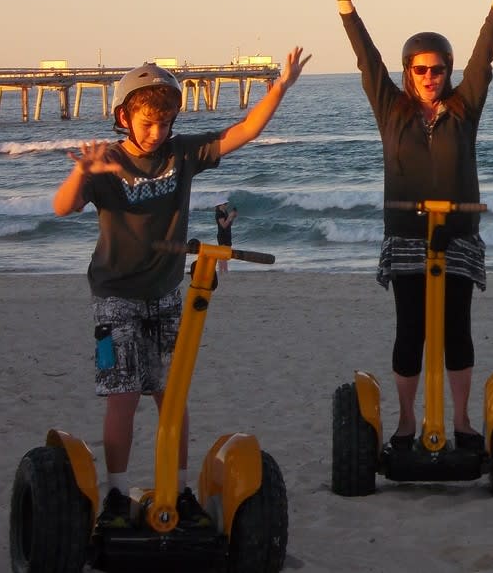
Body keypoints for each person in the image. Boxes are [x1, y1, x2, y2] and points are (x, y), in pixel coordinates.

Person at [52, 49, 310, 528]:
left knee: (171, 395)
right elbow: (62, 208)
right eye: (148, 123)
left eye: (166, 122)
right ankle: (114, 493)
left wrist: (280, 87)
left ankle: (182, 486)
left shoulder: (182, 154)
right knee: (123, 395)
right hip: (116, 297)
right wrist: (80, 172)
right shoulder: (107, 162)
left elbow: (244, 132)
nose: (158, 132)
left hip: (170, 293)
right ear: (124, 117)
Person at [335, 0, 493, 452]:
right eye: (420, 70)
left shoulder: (464, 109)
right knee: (411, 331)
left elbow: (482, 64)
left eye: (437, 70)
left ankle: (461, 422)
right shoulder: (392, 109)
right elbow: (368, 63)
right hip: (406, 236)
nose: (429, 78)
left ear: (446, 71)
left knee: (456, 329)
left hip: (459, 235)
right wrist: (346, 8)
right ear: (408, 72)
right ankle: (405, 424)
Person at [215, 202, 237, 272]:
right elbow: (224, 226)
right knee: (222, 254)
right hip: (222, 235)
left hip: (227, 235)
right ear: (220, 205)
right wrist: (229, 216)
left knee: (225, 254)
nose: (226, 205)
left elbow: (229, 224)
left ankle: (223, 270)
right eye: (224, 204)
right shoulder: (219, 213)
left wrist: (233, 217)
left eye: (226, 204)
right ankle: (223, 271)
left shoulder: (225, 212)